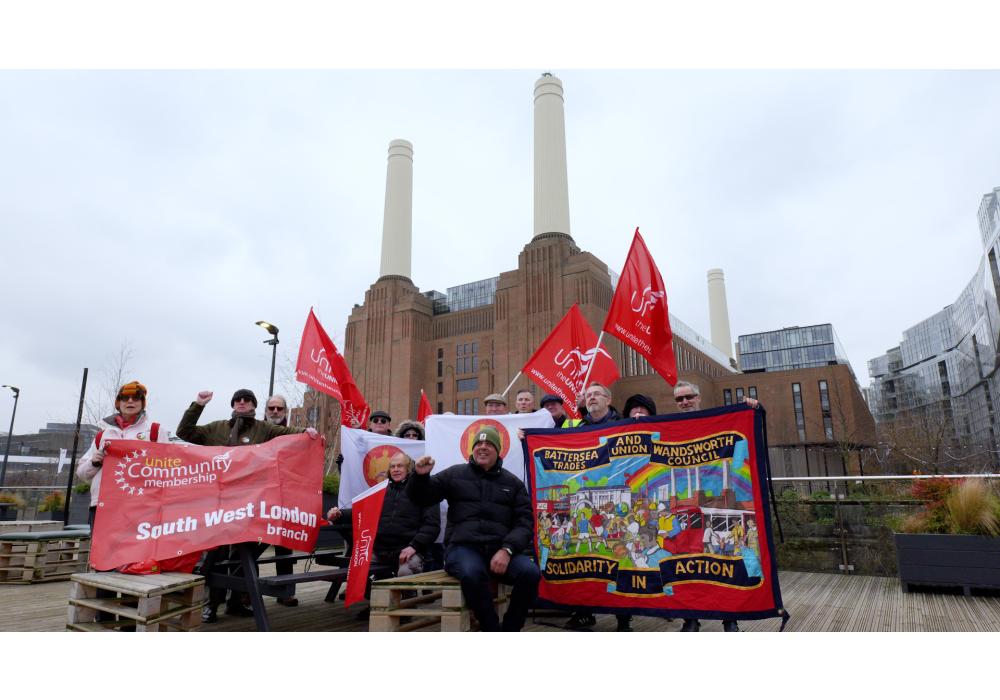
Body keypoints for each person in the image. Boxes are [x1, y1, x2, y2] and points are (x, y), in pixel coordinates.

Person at [176, 388, 319, 623]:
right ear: (233, 404)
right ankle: (210, 604)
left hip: (250, 505)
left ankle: (235, 603)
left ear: (254, 406)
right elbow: (185, 432)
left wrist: (307, 431)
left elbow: (288, 433)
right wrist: (198, 405)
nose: (242, 403)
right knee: (217, 555)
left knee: (245, 555)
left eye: (247, 400)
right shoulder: (217, 428)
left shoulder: (263, 429)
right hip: (220, 504)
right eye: (238, 400)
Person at [408, 426, 539, 632]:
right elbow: (421, 497)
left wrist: (507, 550)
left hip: (501, 550)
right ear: (472, 449)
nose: (483, 448)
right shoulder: (454, 474)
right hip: (463, 548)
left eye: (489, 444)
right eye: (479, 444)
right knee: (472, 574)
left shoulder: (513, 483)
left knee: (530, 573)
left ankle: (511, 629)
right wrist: (420, 477)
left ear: (498, 450)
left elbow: (525, 523)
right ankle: (491, 629)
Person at [673, 380, 756, 632]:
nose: (685, 402)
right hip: (694, 500)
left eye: (689, 396)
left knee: (725, 569)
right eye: (679, 399)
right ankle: (690, 618)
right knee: (687, 570)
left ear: (698, 397)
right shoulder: (672, 427)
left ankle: (730, 618)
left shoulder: (719, 421)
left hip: (716, 493)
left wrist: (753, 409)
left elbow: (747, 432)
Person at [326, 452, 440, 614]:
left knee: (405, 571)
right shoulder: (380, 490)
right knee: (356, 566)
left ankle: (405, 609)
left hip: (408, 549)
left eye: (400, 466)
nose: (395, 469)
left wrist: (414, 546)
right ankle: (377, 604)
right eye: (392, 466)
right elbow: (361, 511)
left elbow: (432, 526)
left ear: (409, 468)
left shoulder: (424, 491)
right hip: (380, 548)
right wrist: (338, 515)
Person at [565, 382, 632, 632]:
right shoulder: (578, 428)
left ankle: (624, 619)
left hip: (612, 485)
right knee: (585, 560)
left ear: (608, 399)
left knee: (620, 562)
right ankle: (584, 613)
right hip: (587, 484)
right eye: (588, 395)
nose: (591, 398)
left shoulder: (624, 424)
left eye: (597, 394)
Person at [77, 381, 172, 527]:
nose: (130, 401)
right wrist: (94, 462)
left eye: (136, 397)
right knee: (102, 549)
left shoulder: (155, 432)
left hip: (142, 506)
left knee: (139, 550)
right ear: (118, 403)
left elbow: (170, 469)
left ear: (142, 402)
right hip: (103, 505)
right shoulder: (102, 435)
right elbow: (82, 474)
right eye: (125, 398)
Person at [263, 394, 300, 607]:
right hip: (257, 499)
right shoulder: (258, 432)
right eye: (271, 408)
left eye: (279, 408)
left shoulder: (295, 435)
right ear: (266, 411)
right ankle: (248, 592)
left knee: (284, 545)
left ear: (285, 411)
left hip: (285, 498)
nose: (275, 412)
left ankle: (285, 592)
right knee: (250, 546)